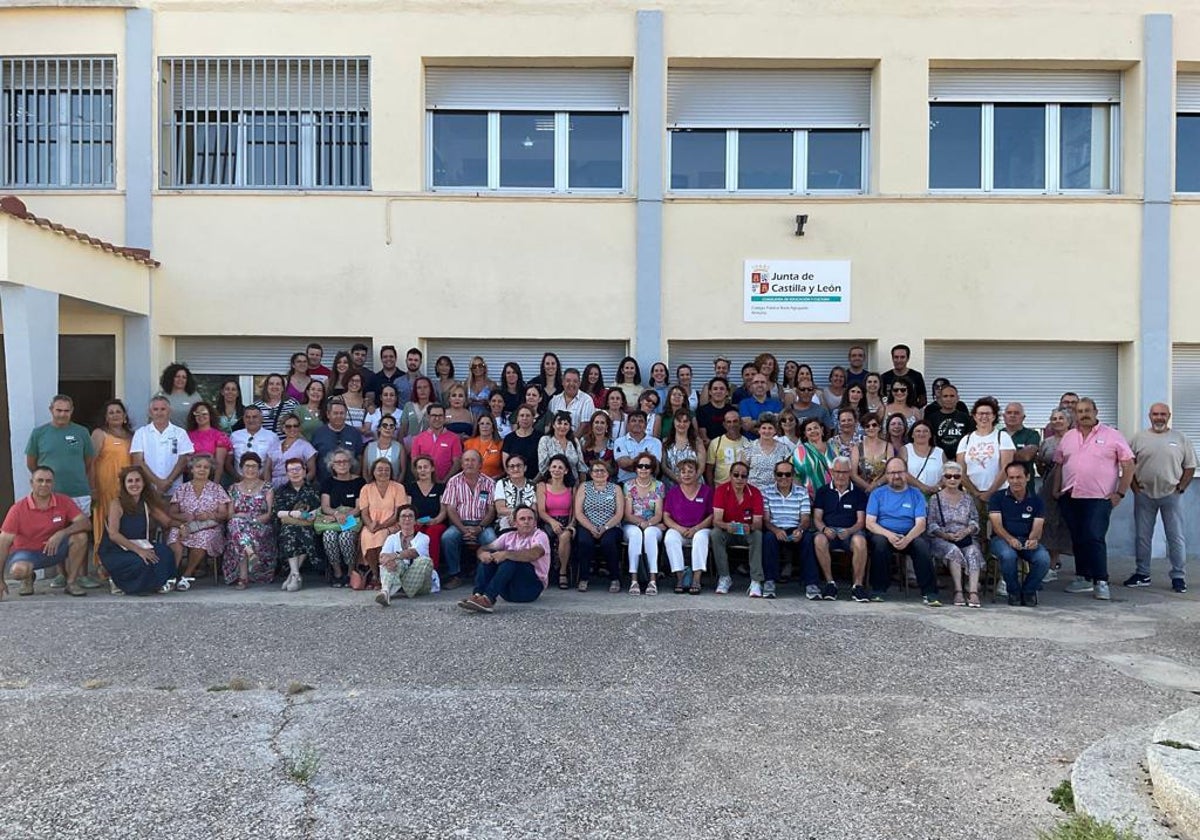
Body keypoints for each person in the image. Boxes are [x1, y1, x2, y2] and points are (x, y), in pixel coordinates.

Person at [1054, 397, 1133, 601]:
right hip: (1071, 495)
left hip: (1098, 498)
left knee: (1094, 537)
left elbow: (1128, 464)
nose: (1084, 414)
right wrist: (1057, 489)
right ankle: (1083, 578)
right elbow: (1060, 464)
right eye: (1080, 411)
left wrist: (1120, 493)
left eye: (1088, 410)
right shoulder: (1069, 436)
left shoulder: (1112, 435)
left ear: (1096, 412)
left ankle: (1101, 581)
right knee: (1078, 538)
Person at [27, 395, 97, 588]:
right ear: (51, 410)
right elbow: (32, 462)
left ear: (71, 411)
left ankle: (82, 574)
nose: (62, 414)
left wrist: (90, 487)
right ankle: (61, 574)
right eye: (59, 410)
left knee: (81, 531)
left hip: (79, 490)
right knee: (56, 531)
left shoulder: (81, 432)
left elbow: (89, 462)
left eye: (66, 411)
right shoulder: (39, 433)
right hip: (52, 494)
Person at [1127, 402, 1195, 592]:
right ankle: (1142, 573)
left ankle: (1178, 577)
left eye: (1163, 414)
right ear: (1150, 416)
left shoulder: (1180, 438)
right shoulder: (1139, 438)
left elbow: (1190, 466)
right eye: (1155, 414)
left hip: (1171, 495)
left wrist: (1180, 488)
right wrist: (1134, 487)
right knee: (1142, 536)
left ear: (1169, 416)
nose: (1159, 417)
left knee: (1175, 537)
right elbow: (1128, 464)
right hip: (1144, 495)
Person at [0, 467, 91, 598]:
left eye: (48, 481)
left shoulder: (63, 501)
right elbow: (3, 544)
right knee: (18, 571)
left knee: (81, 537)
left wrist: (62, 533)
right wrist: (0, 579)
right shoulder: (17, 509)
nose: (44, 484)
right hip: (27, 553)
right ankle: (28, 577)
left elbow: (86, 523)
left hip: (54, 550)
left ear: (53, 483)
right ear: (32, 483)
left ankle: (71, 582)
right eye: (40, 480)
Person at [865, 457, 939, 605]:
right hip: (884, 534)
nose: (896, 476)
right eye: (891, 473)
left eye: (899, 472)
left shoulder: (916, 494)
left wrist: (907, 539)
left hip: (909, 534)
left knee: (922, 546)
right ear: (886, 475)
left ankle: (930, 593)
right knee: (879, 544)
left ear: (906, 473)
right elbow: (870, 523)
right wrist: (890, 535)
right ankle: (878, 590)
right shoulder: (877, 494)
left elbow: (921, 524)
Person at [98, 466, 179, 595]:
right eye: (130, 481)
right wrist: (139, 551)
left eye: (137, 480)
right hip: (116, 549)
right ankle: (119, 581)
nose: (134, 484)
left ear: (143, 483)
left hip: (141, 544)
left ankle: (156, 584)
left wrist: (183, 526)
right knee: (141, 562)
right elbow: (113, 534)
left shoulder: (146, 503)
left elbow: (167, 522)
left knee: (164, 553)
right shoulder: (116, 504)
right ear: (124, 485)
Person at [457, 506, 550, 614]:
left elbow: (535, 554)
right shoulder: (508, 536)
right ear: (515, 523)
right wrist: (482, 554)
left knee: (510, 560)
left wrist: (506, 554)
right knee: (489, 558)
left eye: (530, 519)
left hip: (530, 589)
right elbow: (484, 548)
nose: (526, 522)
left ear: (535, 523)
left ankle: (488, 600)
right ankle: (477, 596)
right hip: (507, 591)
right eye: (522, 519)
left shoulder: (540, 535)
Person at [989, 462, 1051, 607]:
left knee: (1043, 559)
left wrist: (1033, 539)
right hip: (1002, 539)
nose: (1015, 481)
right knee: (1008, 555)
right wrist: (1010, 539)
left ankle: (1029, 591)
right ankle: (1014, 592)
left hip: (1026, 539)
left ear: (1028, 477)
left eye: (1019, 477)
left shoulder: (1037, 501)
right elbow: (997, 526)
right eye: (1011, 478)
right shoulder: (997, 498)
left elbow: (1038, 525)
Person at [165, 453, 230, 590]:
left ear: (210, 470)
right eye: (198, 466)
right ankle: (171, 575)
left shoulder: (217, 489)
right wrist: (185, 517)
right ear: (192, 469)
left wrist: (209, 515)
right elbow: (172, 512)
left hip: (209, 528)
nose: (202, 470)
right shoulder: (182, 488)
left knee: (203, 538)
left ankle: (186, 575)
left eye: (206, 467)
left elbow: (224, 514)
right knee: (174, 535)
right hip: (186, 525)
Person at [812, 457, 870, 602]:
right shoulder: (823, 491)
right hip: (829, 532)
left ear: (850, 472)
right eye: (837, 471)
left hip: (850, 532)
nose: (840, 475)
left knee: (860, 541)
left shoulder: (858, 493)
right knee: (818, 539)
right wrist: (824, 529)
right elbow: (817, 518)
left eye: (844, 472)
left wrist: (849, 531)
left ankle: (858, 585)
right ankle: (830, 583)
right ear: (831, 471)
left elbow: (861, 521)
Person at [927, 462, 984, 608]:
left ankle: (973, 592)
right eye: (948, 476)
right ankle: (958, 590)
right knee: (953, 551)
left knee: (973, 551)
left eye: (956, 476)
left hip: (964, 536)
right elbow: (931, 524)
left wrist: (966, 531)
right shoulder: (935, 499)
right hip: (942, 538)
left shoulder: (967, 498)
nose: (952, 479)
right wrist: (945, 535)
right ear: (943, 478)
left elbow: (975, 520)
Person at [440, 449, 498, 590]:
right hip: (460, 524)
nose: (469, 463)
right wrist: (462, 529)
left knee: (491, 539)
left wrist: (480, 527)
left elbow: (491, 510)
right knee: (447, 537)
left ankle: (483, 575)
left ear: (480, 464)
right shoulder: (453, 482)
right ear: (461, 463)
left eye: (473, 460)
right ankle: (455, 575)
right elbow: (451, 509)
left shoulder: (489, 483)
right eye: (466, 460)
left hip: (482, 524)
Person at [956, 396, 1015, 529]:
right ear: (974, 416)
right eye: (980, 413)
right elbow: (961, 471)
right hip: (972, 494)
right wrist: (975, 492)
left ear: (994, 416)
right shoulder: (966, 440)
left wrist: (990, 492)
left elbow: (1006, 468)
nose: (984, 417)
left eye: (988, 413)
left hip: (998, 493)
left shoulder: (1002, 437)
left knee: (999, 529)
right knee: (975, 530)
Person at [89, 399, 134, 574]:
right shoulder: (99, 434)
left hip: (127, 488)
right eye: (111, 412)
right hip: (105, 487)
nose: (115, 415)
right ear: (106, 417)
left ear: (124, 416)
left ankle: (121, 562)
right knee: (104, 523)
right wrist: (92, 488)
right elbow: (91, 463)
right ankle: (102, 562)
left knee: (123, 525)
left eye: (118, 412)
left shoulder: (132, 436)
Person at [223, 452, 277, 588]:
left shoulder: (267, 487)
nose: (250, 469)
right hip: (238, 525)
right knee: (235, 523)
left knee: (239, 528)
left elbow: (269, 514)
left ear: (259, 468)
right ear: (241, 468)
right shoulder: (233, 488)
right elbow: (229, 515)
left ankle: (243, 577)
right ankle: (249, 553)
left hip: (260, 526)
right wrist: (240, 518)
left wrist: (249, 518)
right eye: (247, 466)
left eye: (254, 466)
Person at [710, 463, 764, 596]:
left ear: (747, 478)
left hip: (747, 532)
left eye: (743, 476)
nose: (740, 478)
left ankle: (756, 580)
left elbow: (758, 522)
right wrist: (727, 526)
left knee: (758, 535)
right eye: (736, 475)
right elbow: (716, 520)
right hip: (728, 530)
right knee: (715, 534)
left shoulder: (755, 493)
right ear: (730, 475)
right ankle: (724, 577)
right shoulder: (721, 490)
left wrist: (750, 527)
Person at [1035, 408, 1075, 580]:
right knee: (1049, 524)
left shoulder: (1076, 439)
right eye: (1054, 418)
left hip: (1071, 488)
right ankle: (1050, 564)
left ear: (1069, 421)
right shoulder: (1047, 442)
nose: (1057, 421)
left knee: (1066, 525)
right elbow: (1040, 464)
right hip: (1049, 489)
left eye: (1061, 418)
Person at [573, 460, 625, 593]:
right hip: (587, 524)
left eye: (603, 470)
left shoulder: (616, 489)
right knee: (584, 541)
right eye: (596, 470)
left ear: (608, 473)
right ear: (591, 473)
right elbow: (578, 512)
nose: (599, 473)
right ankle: (584, 578)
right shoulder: (584, 487)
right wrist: (591, 527)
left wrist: (605, 528)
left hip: (611, 525)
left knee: (608, 542)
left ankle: (614, 578)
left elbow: (619, 514)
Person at [762, 460, 811, 599]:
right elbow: (766, 520)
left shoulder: (802, 492)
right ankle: (769, 581)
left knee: (808, 538)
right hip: (776, 528)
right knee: (768, 538)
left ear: (793, 475)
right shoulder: (767, 492)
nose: (783, 477)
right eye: (780, 474)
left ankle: (811, 583)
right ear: (775, 475)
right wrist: (776, 530)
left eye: (787, 474)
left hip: (795, 527)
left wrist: (800, 530)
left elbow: (806, 518)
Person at [662, 459, 713, 594]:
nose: (686, 474)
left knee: (700, 539)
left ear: (697, 473)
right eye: (683, 472)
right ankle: (680, 577)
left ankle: (696, 579)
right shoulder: (673, 492)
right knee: (670, 538)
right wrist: (679, 528)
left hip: (701, 529)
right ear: (679, 475)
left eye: (690, 471)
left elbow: (712, 515)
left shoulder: (707, 491)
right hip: (680, 529)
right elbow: (666, 516)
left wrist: (697, 528)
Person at [131, 395, 195, 497]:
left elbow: (184, 460)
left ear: (169, 411)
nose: (159, 413)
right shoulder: (141, 433)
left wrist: (168, 482)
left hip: (175, 489)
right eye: (155, 409)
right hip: (148, 489)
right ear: (150, 413)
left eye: (163, 409)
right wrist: (157, 482)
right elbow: (138, 461)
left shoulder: (180, 433)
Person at [358, 458, 409, 586]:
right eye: (380, 469)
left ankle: (381, 574)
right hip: (372, 525)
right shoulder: (366, 488)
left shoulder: (398, 487)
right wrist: (370, 525)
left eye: (387, 470)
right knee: (366, 536)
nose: (383, 472)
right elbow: (364, 513)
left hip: (392, 524)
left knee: (381, 536)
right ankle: (376, 574)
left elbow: (398, 513)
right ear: (373, 472)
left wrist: (381, 526)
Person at [320, 447, 365, 586]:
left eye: (345, 461)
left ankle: (351, 571)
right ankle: (337, 572)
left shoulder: (359, 482)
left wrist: (343, 516)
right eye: (338, 462)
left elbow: (358, 508)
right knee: (329, 535)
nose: (342, 464)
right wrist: (336, 515)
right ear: (332, 465)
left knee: (345, 537)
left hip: (352, 518)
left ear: (351, 463)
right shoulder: (328, 482)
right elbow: (325, 506)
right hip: (334, 517)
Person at [274, 457, 320, 592]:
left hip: (308, 524)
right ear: (287, 473)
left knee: (305, 533)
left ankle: (293, 575)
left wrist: (312, 514)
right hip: (289, 524)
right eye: (291, 470)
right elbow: (277, 512)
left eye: (298, 469)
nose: (295, 473)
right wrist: (291, 514)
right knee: (290, 533)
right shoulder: (282, 490)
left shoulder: (313, 488)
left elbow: (319, 507)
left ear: (305, 471)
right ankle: (295, 575)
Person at [622, 453, 665, 595]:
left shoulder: (659, 486)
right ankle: (634, 580)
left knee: (650, 534)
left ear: (652, 469)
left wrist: (649, 523)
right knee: (635, 535)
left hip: (652, 524)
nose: (643, 469)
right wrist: (641, 523)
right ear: (636, 468)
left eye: (647, 466)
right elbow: (627, 514)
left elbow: (659, 513)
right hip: (632, 524)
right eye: (640, 466)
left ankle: (652, 580)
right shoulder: (628, 486)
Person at [376, 506, 434, 606]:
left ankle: (393, 589)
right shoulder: (392, 538)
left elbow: (413, 553)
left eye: (410, 516)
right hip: (397, 576)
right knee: (392, 562)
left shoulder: (423, 538)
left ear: (415, 521)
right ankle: (385, 592)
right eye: (403, 516)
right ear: (398, 521)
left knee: (425, 560)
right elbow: (382, 557)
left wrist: (394, 556)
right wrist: (388, 561)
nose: (407, 519)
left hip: (418, 584)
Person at [537, 454, 577, 588]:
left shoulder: (571, 489)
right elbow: (541, 511)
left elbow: (574, 512)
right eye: (553, 466)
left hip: (566, 521)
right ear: (549, 469)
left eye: (560, 467)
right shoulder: (542, 486)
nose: (556, 470)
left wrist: (571, 525)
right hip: (548, 521)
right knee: (543, 536)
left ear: (566, 471)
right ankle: (543, 571)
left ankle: (563, 572)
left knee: (565, 536)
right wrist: (552, 522)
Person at [405, 454, 447, 571]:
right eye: (419, 467)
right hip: (416, 523)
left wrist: (435, 520)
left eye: (425, 467)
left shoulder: (440, 487)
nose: (422, 470)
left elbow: (444, 510)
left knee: (432, 533)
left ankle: (432, 570)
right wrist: (414, 522)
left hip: (436, 523)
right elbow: (408, 509)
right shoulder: (411, 487)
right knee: (414, 533)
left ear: (432, 468)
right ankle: (414, 570)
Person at [311, 399, 365, 484]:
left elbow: (359, 458)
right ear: (328, 414)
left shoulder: (354, 433)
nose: (339, 416)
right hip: (323, 483)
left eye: (342, 413)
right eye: (335, 413)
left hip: (349, 483)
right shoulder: (318, 433)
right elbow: (313, 459)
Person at [743, 413, 794, 492]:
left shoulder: (784, 449)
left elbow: (788, 472)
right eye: (764, 428)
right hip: (753, 492)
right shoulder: (749, 447)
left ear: (775, 431)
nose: (767, 431)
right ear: (759, 430)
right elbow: (742, 471)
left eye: (770, 428)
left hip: (776, 493)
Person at [925, 382, 975, 461]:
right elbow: (930, 441)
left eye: (952, 396)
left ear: (957, 398)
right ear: (940, 399)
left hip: (961, 459)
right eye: (945, 396)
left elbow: (970, 440)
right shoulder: (932, 418)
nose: (949, 399)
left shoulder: (966, 418)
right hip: (938, 459)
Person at [229, 405, 281, 481]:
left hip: (263, 481)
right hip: (239, 482)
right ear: (243, 419)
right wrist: (238, 478)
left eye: (255, 417)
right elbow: (228, 462)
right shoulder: (234, 436)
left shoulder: (272, 437)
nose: (251, 420)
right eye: (248, 417)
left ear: (261, 419)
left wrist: (260, 479)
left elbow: (275, 462)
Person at [185, 401, 231, 485]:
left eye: (204, 413)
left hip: (211, 478)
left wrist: (214, 486)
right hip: (190, 479)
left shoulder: (219, 436)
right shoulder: (187, 436)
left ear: (210, 415)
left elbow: (219, 464)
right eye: (197, 414)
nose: (201, 416)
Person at [613, 410, 663, 484]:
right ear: (628, 424)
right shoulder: (619, 441)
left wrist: (631, 463)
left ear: (646, 425)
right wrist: (645, 459)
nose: (637, 423)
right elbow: (623, 464)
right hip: (625, 483)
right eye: (633, 421)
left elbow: (655, 468)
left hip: (649, 484)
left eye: (641, 421)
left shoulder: (655, 442)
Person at [792, 416, 835, 501]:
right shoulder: (800, 451)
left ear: (822, 429)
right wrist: (803, 497)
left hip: (834, 496)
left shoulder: (833, 447)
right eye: (809, 429)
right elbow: (796, 477)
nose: (813, 431)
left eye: (816, 428)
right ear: (805, 433)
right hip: (810, 498)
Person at [706, 408, 751, 486]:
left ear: (740, 423)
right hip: (720, 488)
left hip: (742, 489)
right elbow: (709, 470)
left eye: (735, 421)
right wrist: (712, 489)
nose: (732, 425)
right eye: (729, 422)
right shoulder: (715, 443)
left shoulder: (748, 443)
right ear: (724, 425)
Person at [494, 454, 537, 532]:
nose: (516, 469)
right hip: (507, 520)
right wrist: (516, 515)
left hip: (528, 521)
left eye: (519, 465)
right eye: (512, 466)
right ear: (507, 470)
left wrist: (519, 516)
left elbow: (534, 510)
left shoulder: (533, 485)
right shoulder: (501, 483)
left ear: (525, 468)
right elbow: (500, 509)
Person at [850, 414, 891, 494]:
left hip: (883, 490)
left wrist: (876, 485)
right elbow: (853, 474)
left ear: (879, 427)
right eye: (867, 426)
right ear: (864, 428)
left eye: (874, 425)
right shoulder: (857, 447)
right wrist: (868, 487)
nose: (871, 428)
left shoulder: (888, 446)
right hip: (862, 491)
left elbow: (889, 471)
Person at [546, 368, 596, 433]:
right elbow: (550, 423)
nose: (571, 384)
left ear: (579, 383)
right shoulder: (554, 401)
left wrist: (572, 441)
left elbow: (585, 425)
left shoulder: (587, 400)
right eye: (568, 381)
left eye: (575, 381)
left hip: (578, 441)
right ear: (563, 382)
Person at [662, 408, 703, 487]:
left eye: (685, 421)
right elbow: (664, 466)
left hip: (694, 483)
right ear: (674, 422)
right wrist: (677, 479)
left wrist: (690, 481)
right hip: (671, 484)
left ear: (690, 423)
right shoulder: (665, 441)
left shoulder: (697, 442)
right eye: (679, 421)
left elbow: (701, 466)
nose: (682, 424)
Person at [879, 344, 927, 408]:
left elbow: (923, 399)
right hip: (890, 414)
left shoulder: (916, 376)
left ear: (908, 358)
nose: (899, 360)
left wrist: (913, 409)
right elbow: (880, 397)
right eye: (896, 357)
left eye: (902, 357)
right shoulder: (884, 377)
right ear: (892, 358)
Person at [904, 419, 945, 495]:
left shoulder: (940, 452)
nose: (921, 434)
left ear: (930, 435)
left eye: (925, 431)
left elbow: (947, 473)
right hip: (911, 495)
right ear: (912, 435)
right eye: (918, 431)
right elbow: (902, 472)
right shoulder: (905, 450)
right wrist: (923, 487)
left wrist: (938, 487)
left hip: (936, 495)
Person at [502, 405, 541, 481]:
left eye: (528, 415)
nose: (524, 418)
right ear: (517, 418)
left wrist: (534, 481)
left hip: (535, 481)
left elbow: (543, 463)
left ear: (533, 418)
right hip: (513, 480)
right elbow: (506, 463)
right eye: (522, 415)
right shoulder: (509, 438)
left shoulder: (541, 438)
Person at [738, 373, 783, 440]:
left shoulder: (777, 403)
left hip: (772, 444)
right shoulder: (744, 403)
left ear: (767, 387)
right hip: (750, 444)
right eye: (756, 382)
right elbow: (747, 426)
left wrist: (754, 422)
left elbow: (777, 426)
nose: (760, 385)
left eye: (763, 382)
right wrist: (767, 418)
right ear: (751, 387)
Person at [362, 415, 406, 483]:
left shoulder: (399, 447)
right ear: (379, 428)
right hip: (372, 487)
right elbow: (364, 471)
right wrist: (369, 486)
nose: (388, 428)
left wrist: (396, 487)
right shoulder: (369, 447)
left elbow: (402, 471)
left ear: (394, 429)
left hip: (394, 487)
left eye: (391, 426)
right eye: (385, 425)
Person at [1003, 402, 1041, 480]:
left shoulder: (1032, 434)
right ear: (1004, 416)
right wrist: (1018, 453)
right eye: (1009, 413)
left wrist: (1001, 455)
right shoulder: (997, 435)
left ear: (1023, 417)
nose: (1012, 415)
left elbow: (1026, 456)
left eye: (1016, 413)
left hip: (1026, 486)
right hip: (1001, 484)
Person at [255, 374, 300, 438]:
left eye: (278, 384)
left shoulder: (293, 404)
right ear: (266, 387)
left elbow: (298, 426)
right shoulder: (257, 406)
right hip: (264, 445)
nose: (274, 386)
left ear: (283, 388)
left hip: (285, 445)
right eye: (271, 384)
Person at [159, 363, 201, 427]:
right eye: (177, 376)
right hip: (165, 435)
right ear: (170, 378)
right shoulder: (160, 396)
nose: (180, 379)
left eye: (184, 377)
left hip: (188, 435)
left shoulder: (195, 397)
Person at [397, 376, 436, 443]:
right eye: (419, 388)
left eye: (425, 387)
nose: (422, 390)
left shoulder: (436, 407)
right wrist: (402, 446)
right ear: (415, 390)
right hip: (410, 446)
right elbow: (403, 429)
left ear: (430, 389)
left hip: (429, 445)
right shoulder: (408, 406)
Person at [696, 377, 733, 447]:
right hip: (710, 449)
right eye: (715, 389)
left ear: (727, 392)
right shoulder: (702, 411)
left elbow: (735, 434)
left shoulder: (733, 411)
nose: (718, 391)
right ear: (710, 392)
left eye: (722, 389)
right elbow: (704, 438)